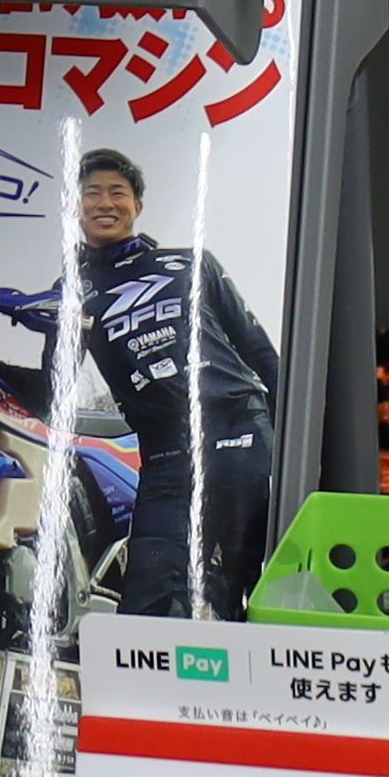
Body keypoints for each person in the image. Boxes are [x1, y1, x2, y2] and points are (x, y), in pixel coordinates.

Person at [70, 149, 281, 614]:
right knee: (150, 593)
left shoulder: (189, 263)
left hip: (238, 428)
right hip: (166, 453)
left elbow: (260, 352)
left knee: (251, 583)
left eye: (117, 192)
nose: (105, 202)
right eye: (91, 193)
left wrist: (301, 444)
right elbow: (55, 387)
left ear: (137, 205)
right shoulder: (73, 292)